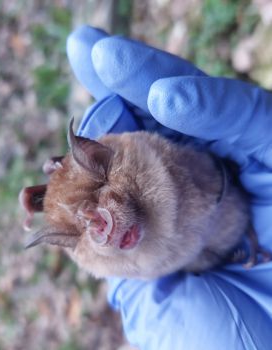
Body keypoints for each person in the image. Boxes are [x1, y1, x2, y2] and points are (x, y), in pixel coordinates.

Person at [66, 25, 272, 350]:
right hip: (206, 248)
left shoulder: (128, 173)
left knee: (177, 110)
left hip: (214, 194)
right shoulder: (125, 257)